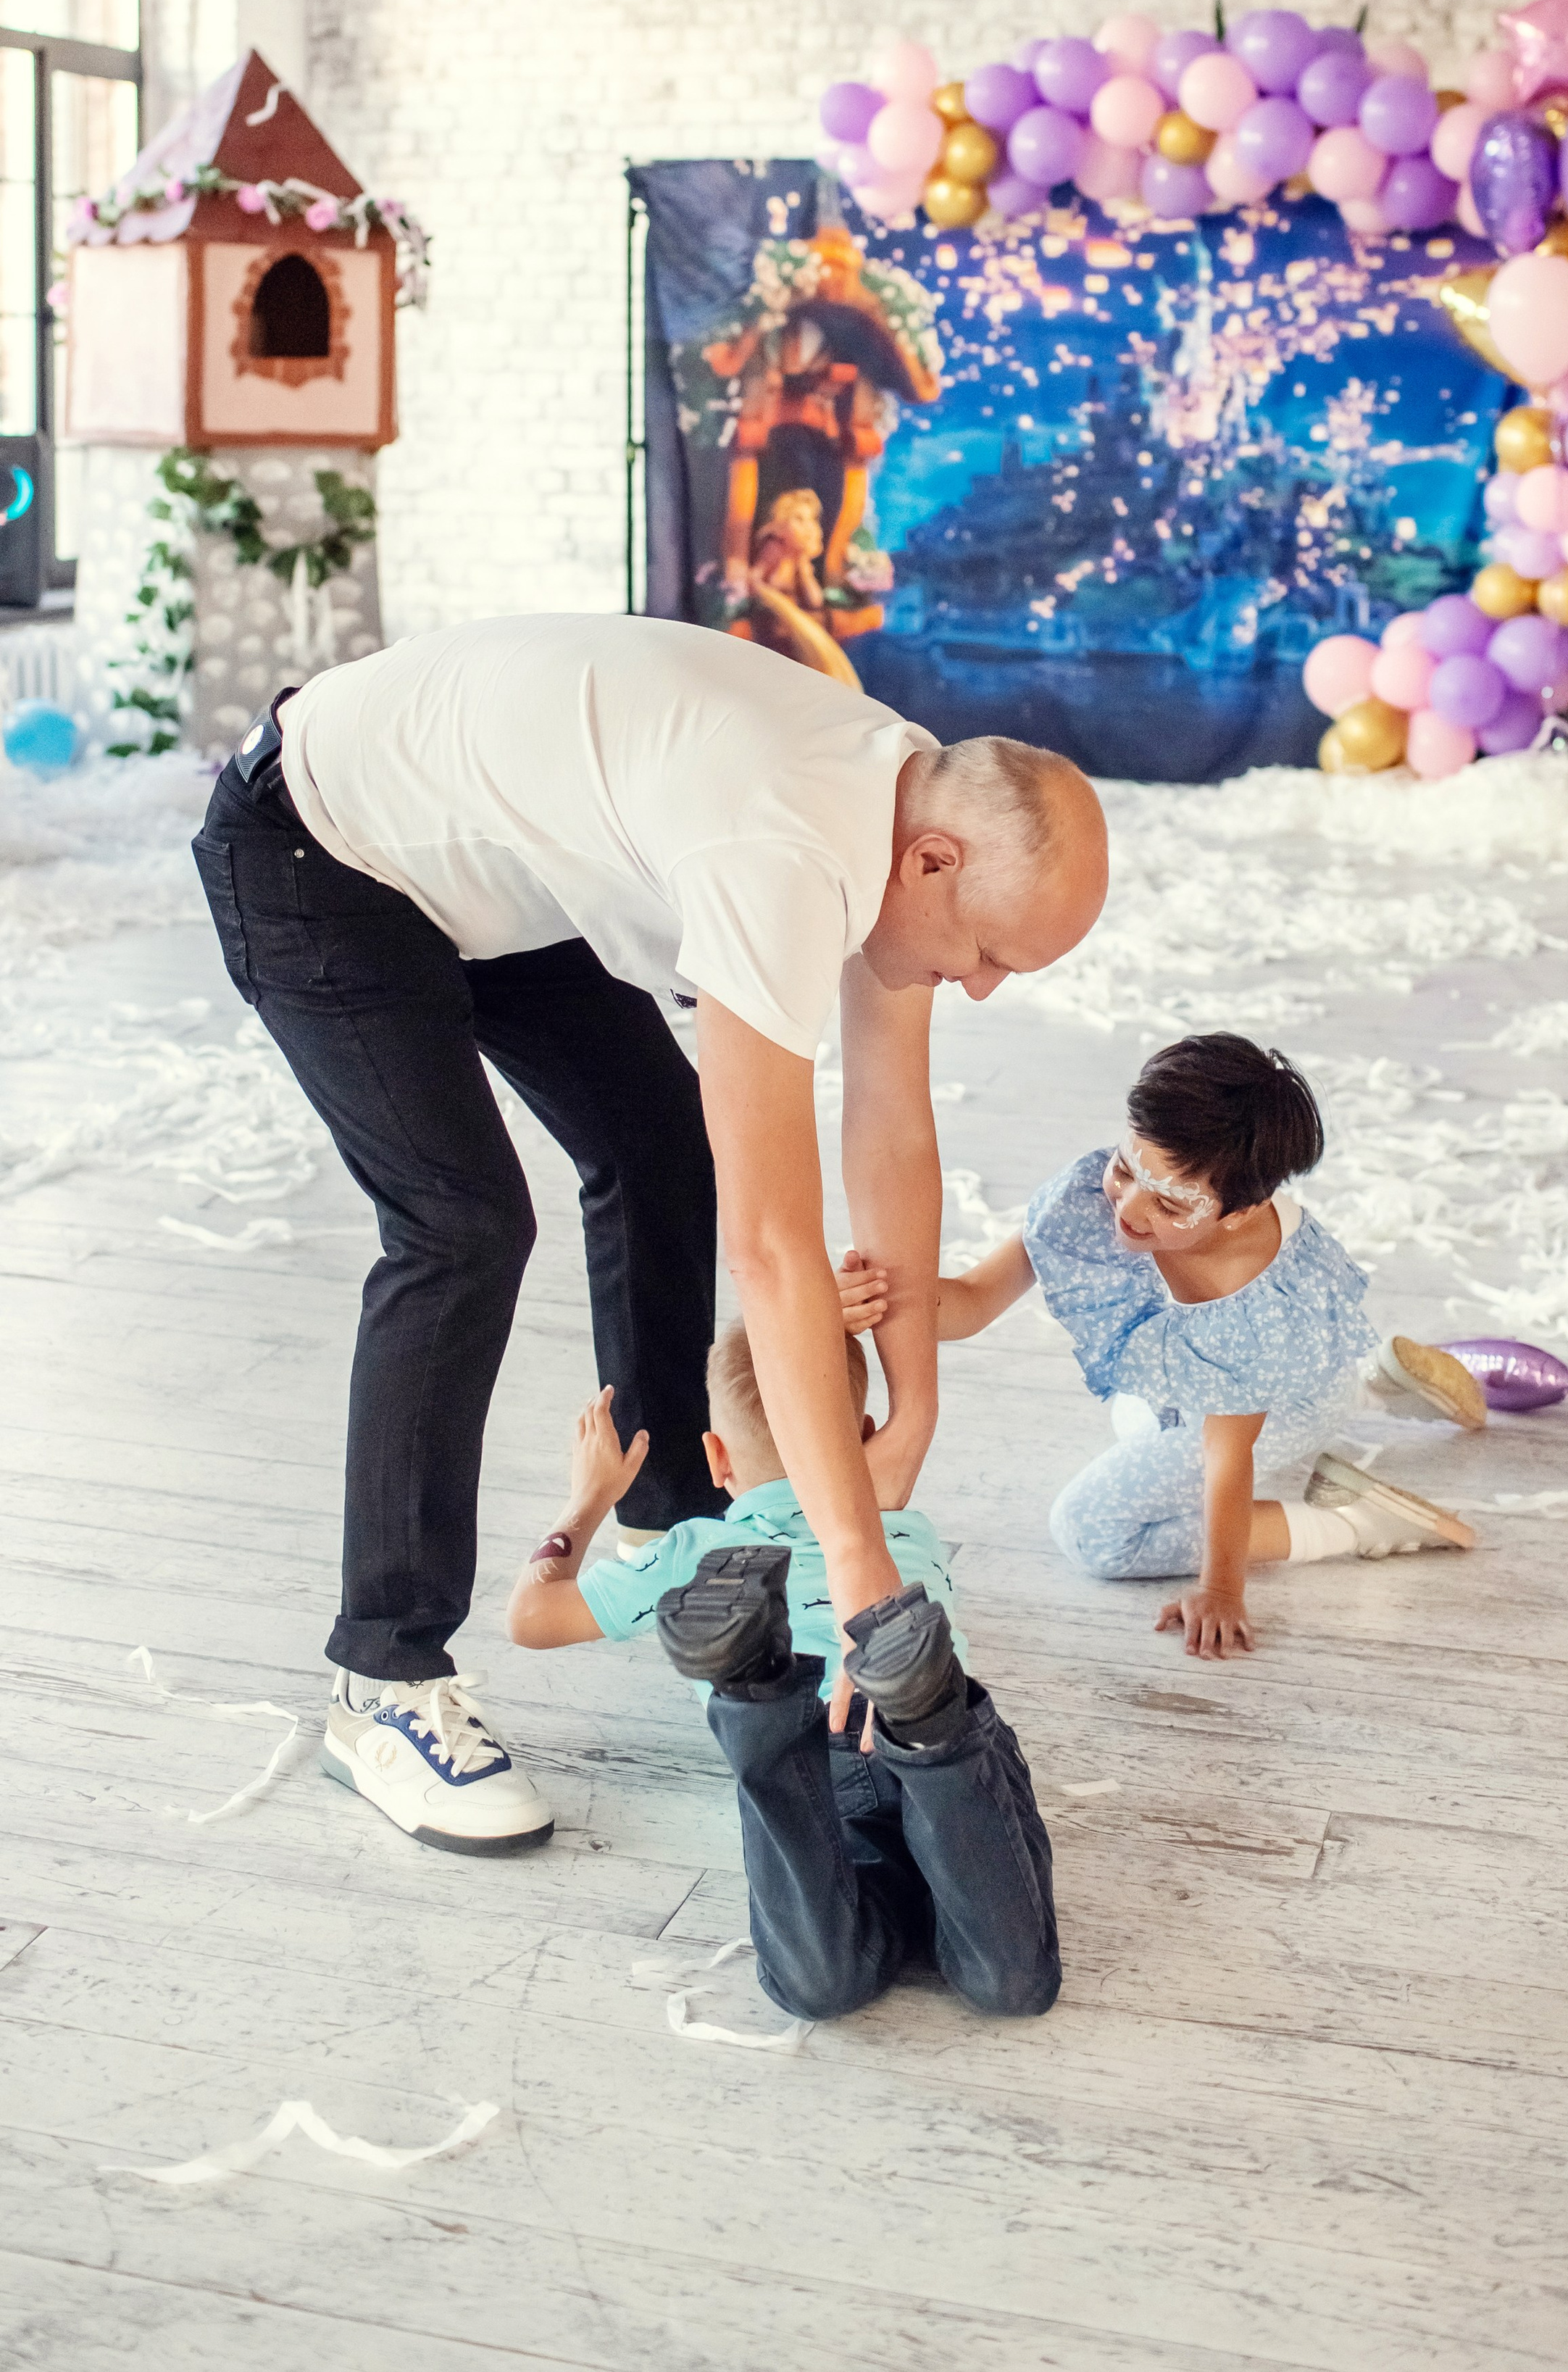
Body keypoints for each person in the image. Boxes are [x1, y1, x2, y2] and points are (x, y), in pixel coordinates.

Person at [192, 615, 1107, 1855]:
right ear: (937, 862)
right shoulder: (782, 847)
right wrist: (856, 1564)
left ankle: (673, 1518)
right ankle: (383, 1683)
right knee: (460, 1224)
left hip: (498, 874)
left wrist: (917, 1409)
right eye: (993, 955)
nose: (988, 986)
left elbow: (890, 1130)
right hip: (319, 848)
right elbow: (777, 1241)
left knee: (661, 1149)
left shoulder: (898, 802)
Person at [838, 1033, 1481, 1665]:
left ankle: (1350, 1519)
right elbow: (973, 1303)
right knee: (1132, 1414)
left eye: (1170, 1203)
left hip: (1274, 1411)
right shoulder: (1100, 1194)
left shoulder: (1250, 1311)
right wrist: (880, 1301)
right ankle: (1368, 1377)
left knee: (1093, 1534)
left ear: (1241, 1212)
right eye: (1125, 1167)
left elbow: (1228, 1458)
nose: (1130, 1209)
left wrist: (1220, 1587)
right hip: (1246, 1382)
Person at [504, 1324, 1060, 2023]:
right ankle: (930, 1725)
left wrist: (586, 1501)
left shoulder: (698, 1551)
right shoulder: (895, 1518)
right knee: (1011, 1987)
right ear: (862, 1434)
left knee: (822, 1988)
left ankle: (758, 1696)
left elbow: (531, 1616)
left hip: (814, 1761)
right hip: (932, 1754)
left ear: (716, 1457)